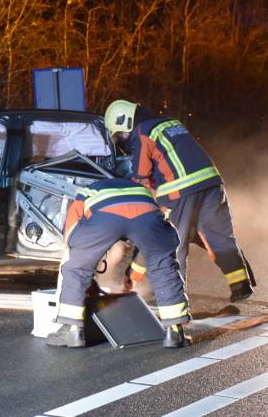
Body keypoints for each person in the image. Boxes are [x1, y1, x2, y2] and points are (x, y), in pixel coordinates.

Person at [104, 100, 255, 302]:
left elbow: (142, 178)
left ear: (125, 122)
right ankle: (241, 284)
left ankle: (174, 298)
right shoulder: (169, 123)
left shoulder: (142, 132)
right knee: (218, 236)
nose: (123, 141)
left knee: (174, 243)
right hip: (211, 182)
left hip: (179, 190)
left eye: (120, 136)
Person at [46, 178, 190, 349]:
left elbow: (70, 235)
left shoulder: (85, 192)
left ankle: (72, 331)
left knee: (76, 268)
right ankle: (174, 332)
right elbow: (151, 231)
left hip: (104, 218)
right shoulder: (140, 190)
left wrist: (78, 256)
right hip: (146, 215)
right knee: (163, 267)